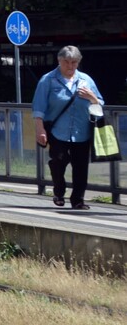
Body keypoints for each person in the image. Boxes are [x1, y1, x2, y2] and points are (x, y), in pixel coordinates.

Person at [33, 45, 104, 210]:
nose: (70, 66)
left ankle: (78, 200)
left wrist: (92, 98)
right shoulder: (48, 80)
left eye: (74, 62)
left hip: (82, 131)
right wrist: (40, 129)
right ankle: (59, 191)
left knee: (81, 167)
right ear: (59, 60)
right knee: (58, 161)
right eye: (66, 62)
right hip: (58, 131)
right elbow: (38, 107)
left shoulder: (86, 80)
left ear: (78, 62)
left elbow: (100, 103)